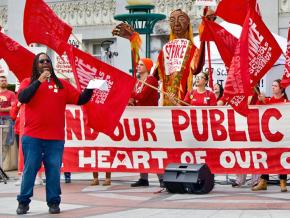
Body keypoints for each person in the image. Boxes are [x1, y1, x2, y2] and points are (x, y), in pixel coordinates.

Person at [16, 53, 93, 215]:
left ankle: (53, 202)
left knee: (53, 170)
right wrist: (39, 81)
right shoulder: (27, 82)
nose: (45, 63)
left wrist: (92, 86)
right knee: (30, 170)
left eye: (47, 61)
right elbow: (23, 98)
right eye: (41, 61)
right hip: (33, 137)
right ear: (36, 65)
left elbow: (81, 99)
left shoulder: (62, 84)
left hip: (55, 138)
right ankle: (23, 202)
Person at [112, 9, 206, 106]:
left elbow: (197, 67)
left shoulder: (192, 48)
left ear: (188, 24)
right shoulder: (165, 49)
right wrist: (133, 42)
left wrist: (204, 35)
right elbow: (152, 77)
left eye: (181, 19)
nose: (177, 24)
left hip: (183, 105)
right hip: (165, 106)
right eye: (172, 20)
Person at [128, 58, 164, 188]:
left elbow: (142, 96)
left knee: (152, 149)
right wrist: (130, 100)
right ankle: (143, 177)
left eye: (141, 65)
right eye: (138, 64)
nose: (138, 66)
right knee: (141, 148)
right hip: (139, 118)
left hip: (150, 119)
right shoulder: (137, 82)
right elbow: (135, 97)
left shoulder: (151, 80)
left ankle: (161, 177)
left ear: (148, 67)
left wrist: (128, 92)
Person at [252, 79, 288, 192]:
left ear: (281, 89)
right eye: (272, 85)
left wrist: (265, 102)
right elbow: (257, 111)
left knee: (282, 156)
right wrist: (260, 101)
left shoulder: (286, 102)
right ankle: (263, 180)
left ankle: (283, 181)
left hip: (282, 136)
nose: (273, 87)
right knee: (265, 156)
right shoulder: (268, 100)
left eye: (275, 86)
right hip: (268, 135)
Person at [0, 75, 16, 146]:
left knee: (5, 142)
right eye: (2, 81)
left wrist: (2, 109)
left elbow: (13, 107)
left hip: (7, 119)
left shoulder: (11, 93)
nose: (4, 82)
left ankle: (2, 157)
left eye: (5, 81)